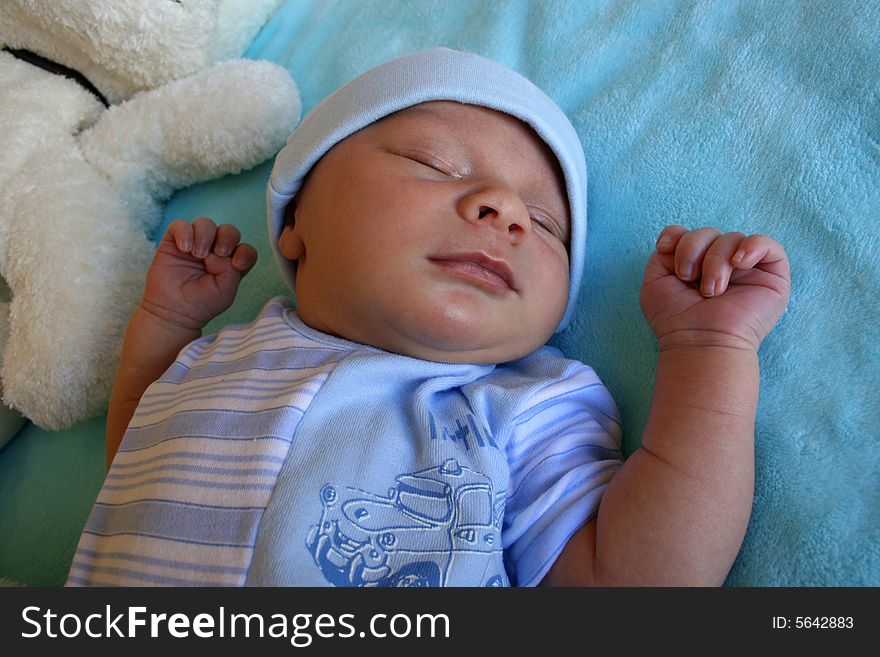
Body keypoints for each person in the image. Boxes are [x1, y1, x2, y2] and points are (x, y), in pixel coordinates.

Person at [67, 48, 790, 587]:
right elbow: (139, 451)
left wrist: (708, 349)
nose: (503, 209)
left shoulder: (519, 403)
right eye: (434, 162)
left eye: (543, 222)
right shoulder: (225, 355)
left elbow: (637, 582)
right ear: (296, 222)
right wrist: (165, 324)